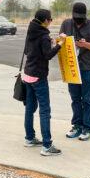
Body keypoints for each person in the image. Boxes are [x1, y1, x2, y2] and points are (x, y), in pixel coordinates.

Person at [23, 9, 66, 156]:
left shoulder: (31, 31)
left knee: (29, 109)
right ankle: (47, 145)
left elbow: (28, 52)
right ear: (46, 20)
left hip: (27, 74)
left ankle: (29, 138)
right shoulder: (44, 36)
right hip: (39, 77)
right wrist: (59, 45)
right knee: (45, 111)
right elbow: (47, 55)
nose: (51, 22)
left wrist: (51, 42)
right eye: (51, 19)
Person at [60, 2, 90, 141]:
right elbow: (61, 40)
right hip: (71, 67)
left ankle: (87, 128)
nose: (78, 20)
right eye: (76, 17)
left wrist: (85, 44)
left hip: (87, 67)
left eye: (81, 17)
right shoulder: (66, 24)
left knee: (87, 99)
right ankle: (76, 125)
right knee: (75, 98)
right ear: (72, 14)